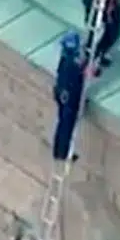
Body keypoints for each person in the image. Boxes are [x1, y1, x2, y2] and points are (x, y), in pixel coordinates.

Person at [52, 31, 88, 162]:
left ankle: (58, 151)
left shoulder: (65, 59)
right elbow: (74, 81)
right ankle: (63, 152)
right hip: (68, 99)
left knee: (62, 123)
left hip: (62, 96)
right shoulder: (70, 63)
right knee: (66, 126)